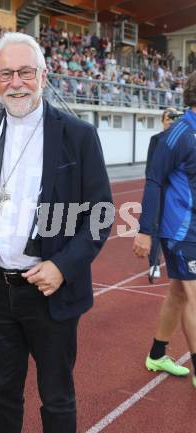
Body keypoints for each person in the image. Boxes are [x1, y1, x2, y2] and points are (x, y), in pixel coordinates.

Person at [0, 32, 112, 433]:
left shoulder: (78, 135)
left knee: (57, 396)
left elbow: (100, 215)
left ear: (43, 75)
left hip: (50, 291)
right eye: (6, 73)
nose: (16, 82)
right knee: (2, 396)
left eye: (25, 71)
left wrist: (62, 266)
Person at [133, 71, 196, 389]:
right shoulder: (179, 134)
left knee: (178, 293)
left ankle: (157, 354)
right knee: (194, 295)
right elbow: (154, 180)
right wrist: (146, 231)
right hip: (182, 229)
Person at [146, 108, 182, 281]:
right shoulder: (156, 140)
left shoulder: (184, 139)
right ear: (162, 120)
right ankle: (153, 263)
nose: (171, 121)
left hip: (177, 192)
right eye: (168, 118)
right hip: (160, 190)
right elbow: (150, 169)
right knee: (154, 228)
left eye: (174, 118)